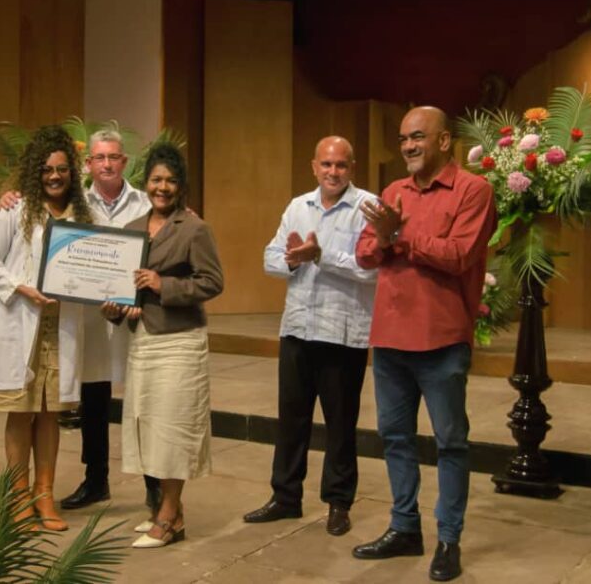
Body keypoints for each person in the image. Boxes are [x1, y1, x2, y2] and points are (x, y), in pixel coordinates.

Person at [352, 106, 496, 581]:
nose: (409, 146)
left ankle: (449, 539)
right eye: (403, 139)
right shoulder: (392, 192)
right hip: (390, 339)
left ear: (443, 141)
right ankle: (404, 527)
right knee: (395, 438)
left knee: (451, 442)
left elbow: (458, 255)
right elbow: (365, 253)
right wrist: (387, 237)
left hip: (441, 339)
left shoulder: (474, 190)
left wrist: (402, 235)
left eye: (418, 137)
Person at [0, 128, 161, 515]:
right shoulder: (74, 201)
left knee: (143, 402)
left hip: (134, 315)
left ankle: (155, 485)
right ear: (87, 164)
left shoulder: (146, 203)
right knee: (93, 401)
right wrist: (7, 196)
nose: (107, 164)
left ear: (125, 163)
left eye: (114, 157)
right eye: (99, 158)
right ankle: (96, 479)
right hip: (86, 316)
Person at [242, 136, 377, 537]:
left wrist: (322, 257)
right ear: (313, 166)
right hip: (298, 329)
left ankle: (338, 503)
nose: (333, 172)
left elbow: (372, 270)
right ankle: (285, 498)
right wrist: (293, 258)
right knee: (291, 421)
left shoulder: (368, 207)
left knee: (340, 424)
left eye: (341, 165)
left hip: (343, 334)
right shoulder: (297, 207)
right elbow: (269, 257)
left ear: (352, 168)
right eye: (326, 165)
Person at [101, 143, 223, 548]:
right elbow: (122, 288)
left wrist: (163, 284)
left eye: (171, 180)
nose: (163, 187)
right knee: (148, 427)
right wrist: (113, 307)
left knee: (174, 430)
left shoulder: (194, 228)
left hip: (180, 341)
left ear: (181, 185)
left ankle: (170, 516)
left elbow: (212, 282)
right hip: (145, 341)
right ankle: (162, 509)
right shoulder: (133, 228)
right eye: (156, 179)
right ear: (146, 182)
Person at [0, 125, 92, 531]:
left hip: (60, 325)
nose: (54, 176)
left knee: (50, 414)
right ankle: (18, 499)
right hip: (21, 320)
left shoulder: (82, 214)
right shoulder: (14, 209)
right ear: (34, 171)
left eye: (62, 169)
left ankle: (45, 497)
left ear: (72, 172)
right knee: (20, 412)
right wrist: (18, 288)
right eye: (46, 169)